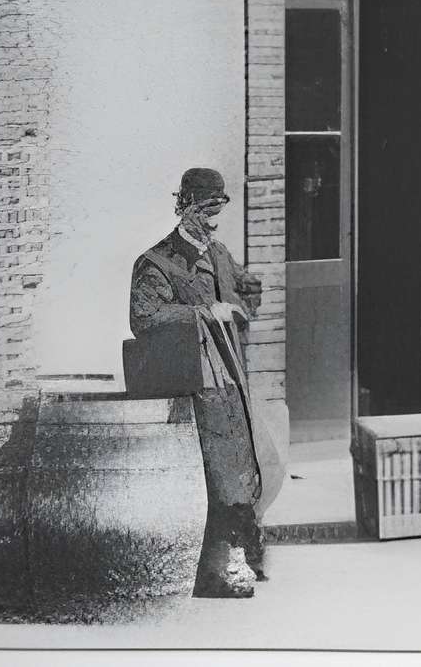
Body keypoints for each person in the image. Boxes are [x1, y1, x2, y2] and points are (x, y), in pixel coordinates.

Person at [129, 167, 270, 598]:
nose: (212, 220)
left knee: (242, 466)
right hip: (193, 383)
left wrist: (245, 300)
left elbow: (247, 289)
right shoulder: (156, 261)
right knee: (216, 475)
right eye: (205, 211)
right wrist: (207, 312)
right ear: (184, 207)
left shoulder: (219, 253)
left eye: (218, 210)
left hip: (229, 379)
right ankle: (215, 570)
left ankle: (243, 555)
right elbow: (144, 318)